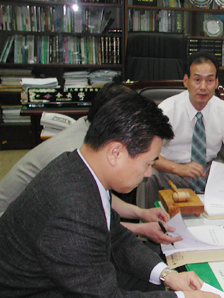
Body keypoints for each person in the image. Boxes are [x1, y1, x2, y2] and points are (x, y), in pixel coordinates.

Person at [0, 93, 224, 298]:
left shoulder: (79, 168)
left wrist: (167, 275)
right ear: (115, 152)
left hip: (60, 293)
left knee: (150, 282)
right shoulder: (71, 208)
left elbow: (117, 236)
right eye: (147, 163)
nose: (149, 173)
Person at [0, 82, 181, 245]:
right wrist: (140, 229)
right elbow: (82, 223)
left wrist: (139, 213)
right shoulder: (75, 154)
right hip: (13, 233)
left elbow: (99, 194)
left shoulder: (88, 132)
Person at [136, 52, 224, 209]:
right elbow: (147, 154)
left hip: (208, 171)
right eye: (197, 80)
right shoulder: (167, 110)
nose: (203, 87)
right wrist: (179, 169)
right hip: (172, 172)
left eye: (209, 80)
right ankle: (149, 223)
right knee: (147, 177)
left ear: (216, 83)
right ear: (186, 81)